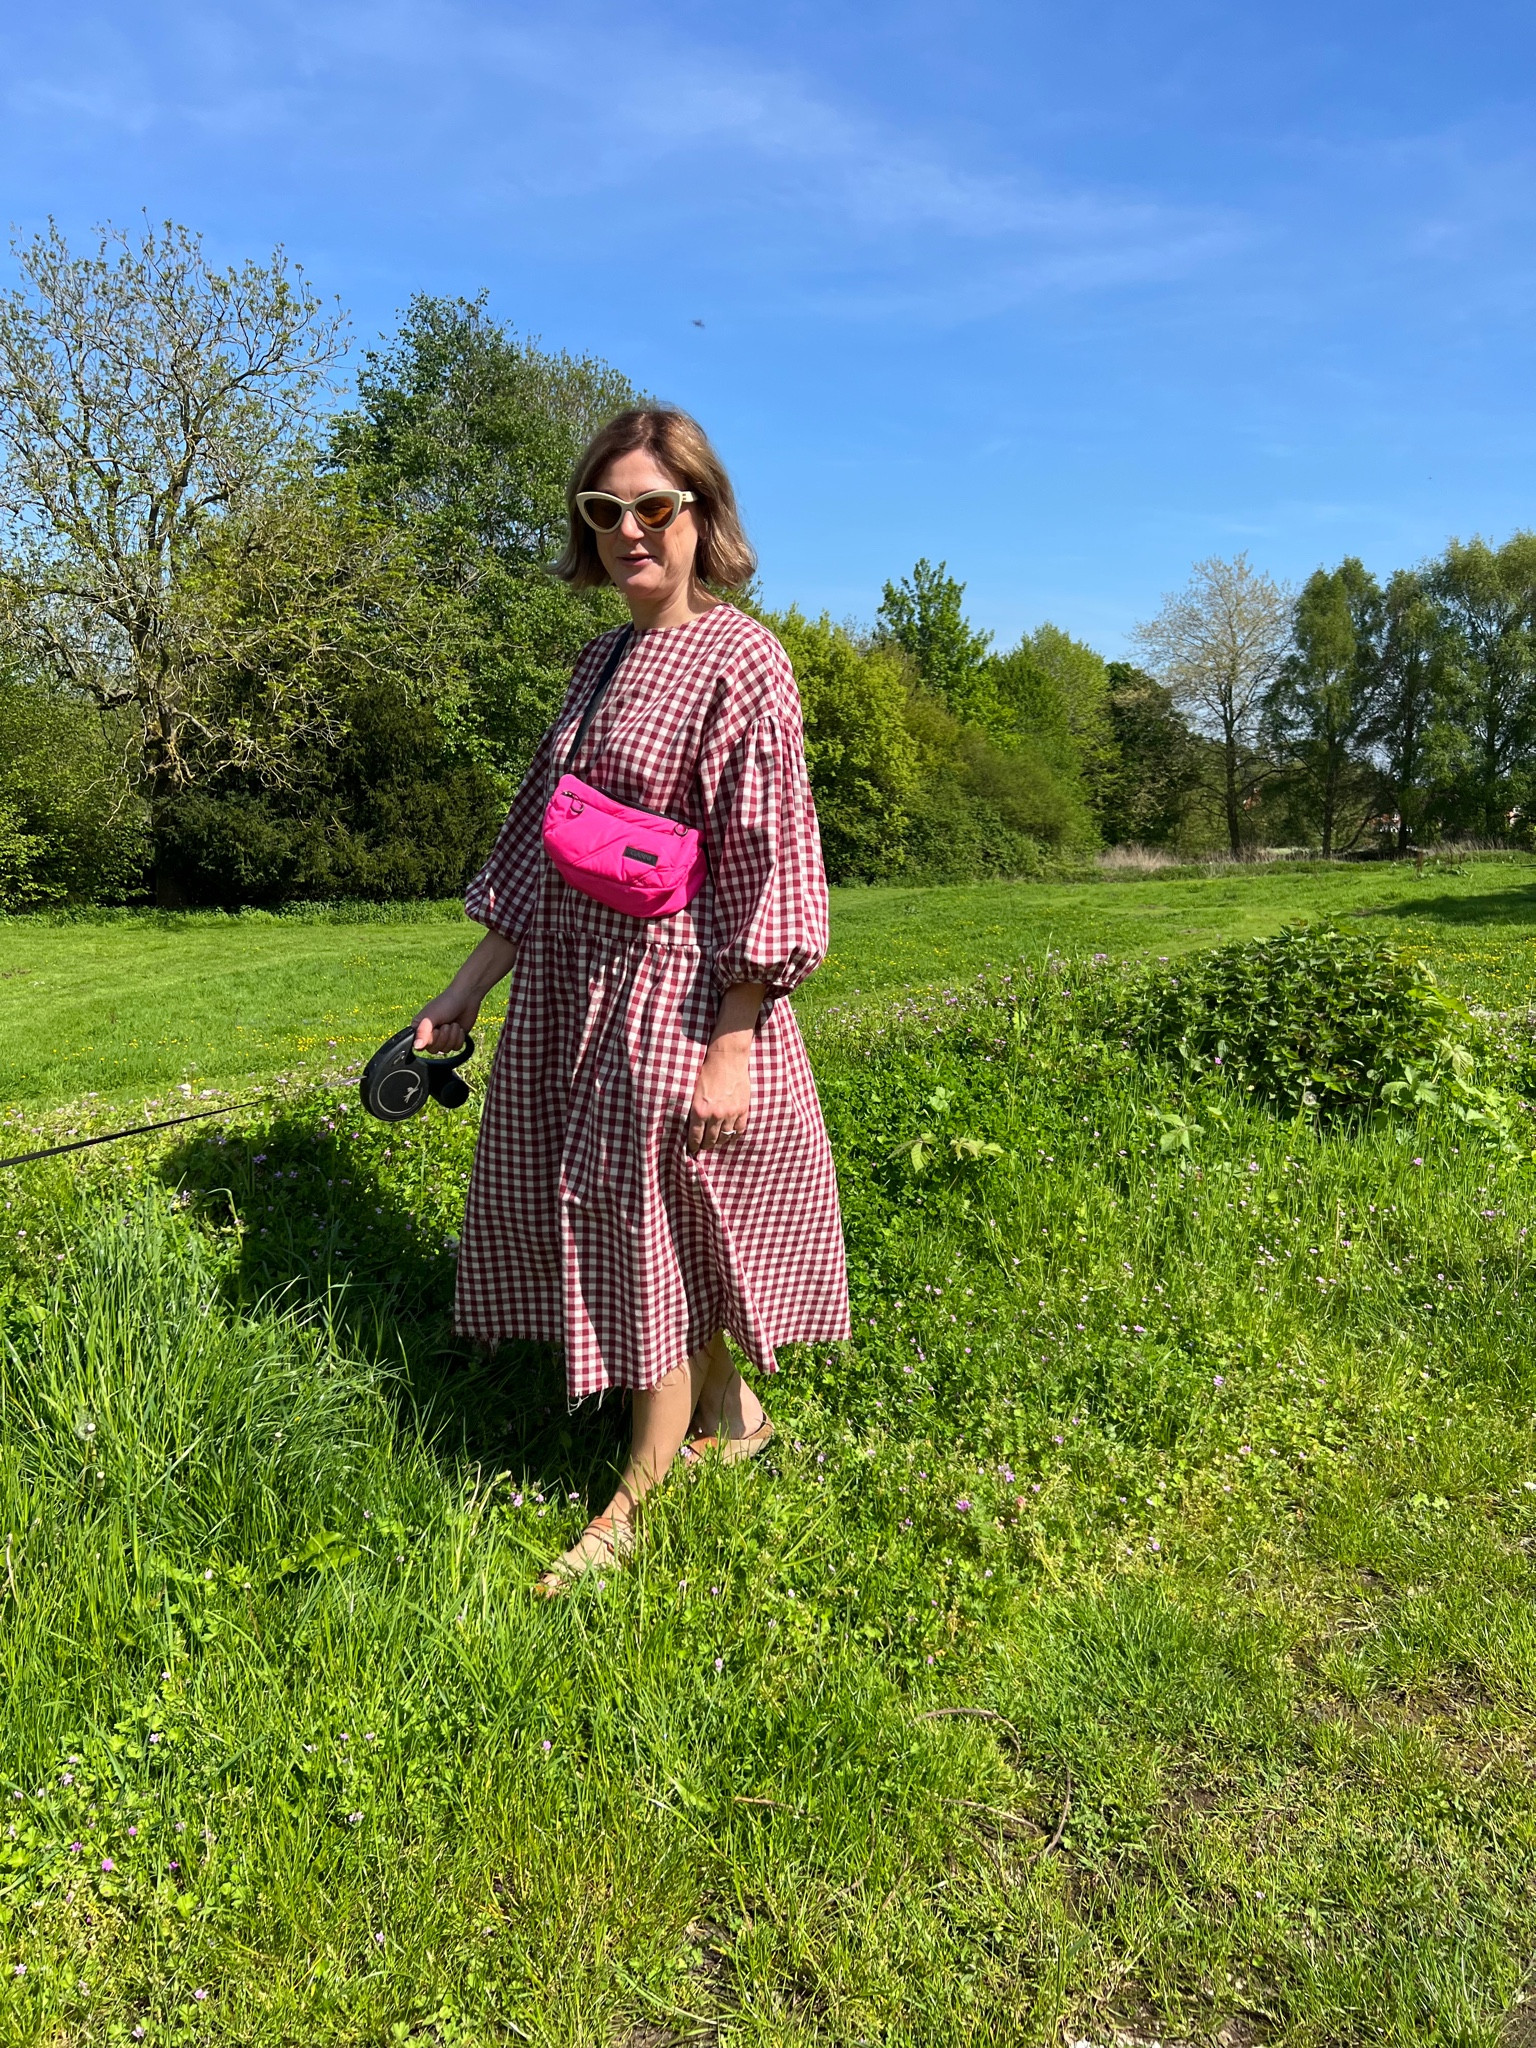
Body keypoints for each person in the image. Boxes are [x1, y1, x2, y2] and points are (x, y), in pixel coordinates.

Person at [411, 407, 849, 1593]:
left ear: (704, 515)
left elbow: (769, 860)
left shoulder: (744, 659)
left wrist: (735, 1043)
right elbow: (540, 847)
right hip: (569, 991)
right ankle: (733, 1415)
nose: (626, 531)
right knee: (633, 1216)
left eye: (653, 507)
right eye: (604, 512)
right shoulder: (597, 662)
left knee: (649, 1228)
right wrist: (457, 1000)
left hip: (683, 996)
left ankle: (636, 1495)